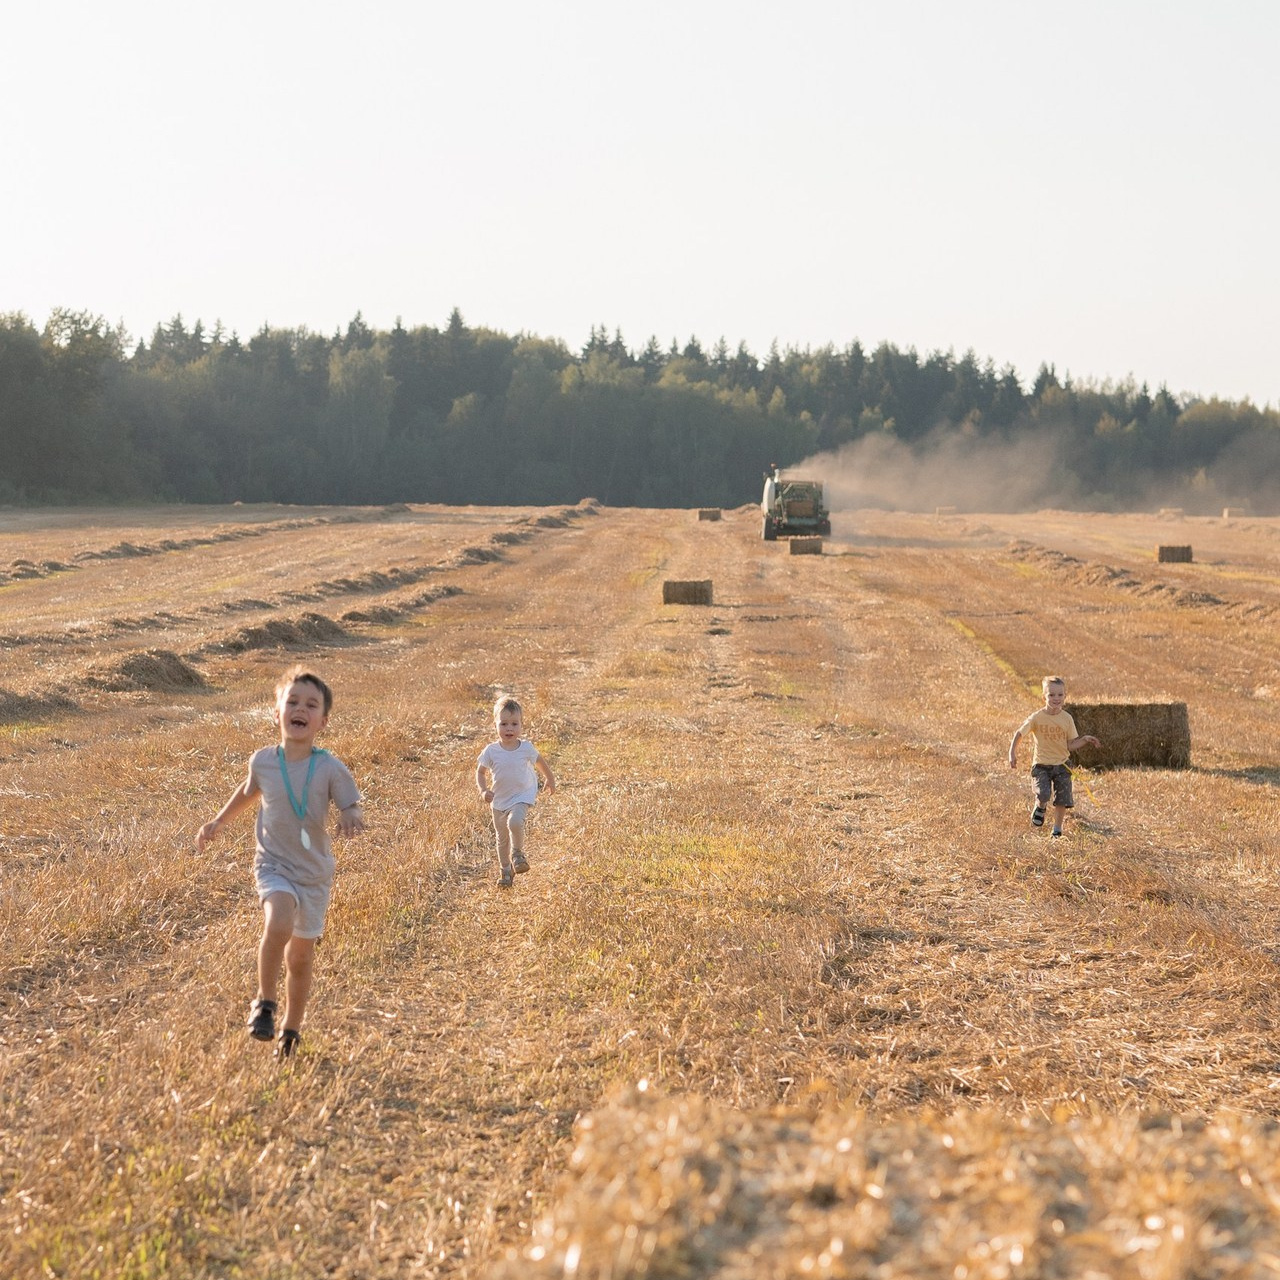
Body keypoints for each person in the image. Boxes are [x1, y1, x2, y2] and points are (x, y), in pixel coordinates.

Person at [196, 666, 365, 1058]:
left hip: (314, 874)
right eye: (292, 701)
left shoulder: (328, 767)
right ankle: (265, 1003)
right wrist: (218, 821)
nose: (300, 708)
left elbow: (349, 801)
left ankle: (290, 1030)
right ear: (277, 712)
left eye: (311, 704)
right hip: (273, 865)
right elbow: (247, 791)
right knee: (278, 919)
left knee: (301, 958)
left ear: (323, 721)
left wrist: (351, 815)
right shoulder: (264, 761)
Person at [476, 695, 556, 888]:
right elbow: (480, 771)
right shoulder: (491, 751)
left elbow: (540, 762)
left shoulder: (526, 748)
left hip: (522, 795)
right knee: (501, 838)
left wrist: (549, 778)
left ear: (521, 725)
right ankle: (505, 870)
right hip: (499, 799)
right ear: (495, 725)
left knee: (515, 821)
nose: (509, 728)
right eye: (503, 724)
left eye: (514, 723)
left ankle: (518, 853)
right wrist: (483, 790)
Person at [1008, 675, 1101, 838]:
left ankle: (1057, 830)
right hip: (1041, 765)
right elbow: (1019, 733)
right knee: (1044, 794)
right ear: (1044, 696)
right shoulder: (1037, 717)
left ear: (1065, 696)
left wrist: (1084, 740)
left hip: (1062, 766)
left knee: (1062, 800)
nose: (1056, 698)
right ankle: (1040, 806)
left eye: (1060, 695)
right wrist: (1012, 753)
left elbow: (1069, 745)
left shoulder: (1067, 719)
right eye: (1051, 695)